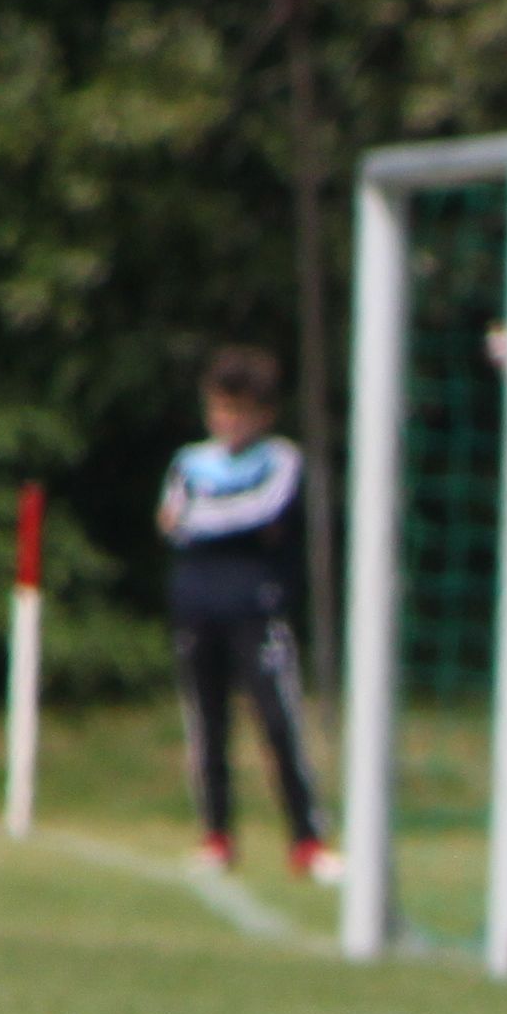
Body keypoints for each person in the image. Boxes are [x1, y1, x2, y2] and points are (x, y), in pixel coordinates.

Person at [154, 346, 331, 881]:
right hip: (197, 605)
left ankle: (307, 840)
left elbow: (263, 512)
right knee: (207, 725)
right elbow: (171, 521)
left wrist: (205, 520)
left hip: (255, 608)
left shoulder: (281, 460)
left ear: (264, 414)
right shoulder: (190, 462)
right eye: (221, 409)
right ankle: (217, 836)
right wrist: (208, 522)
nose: (229, 422)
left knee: (277, 721)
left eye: (241, 412)